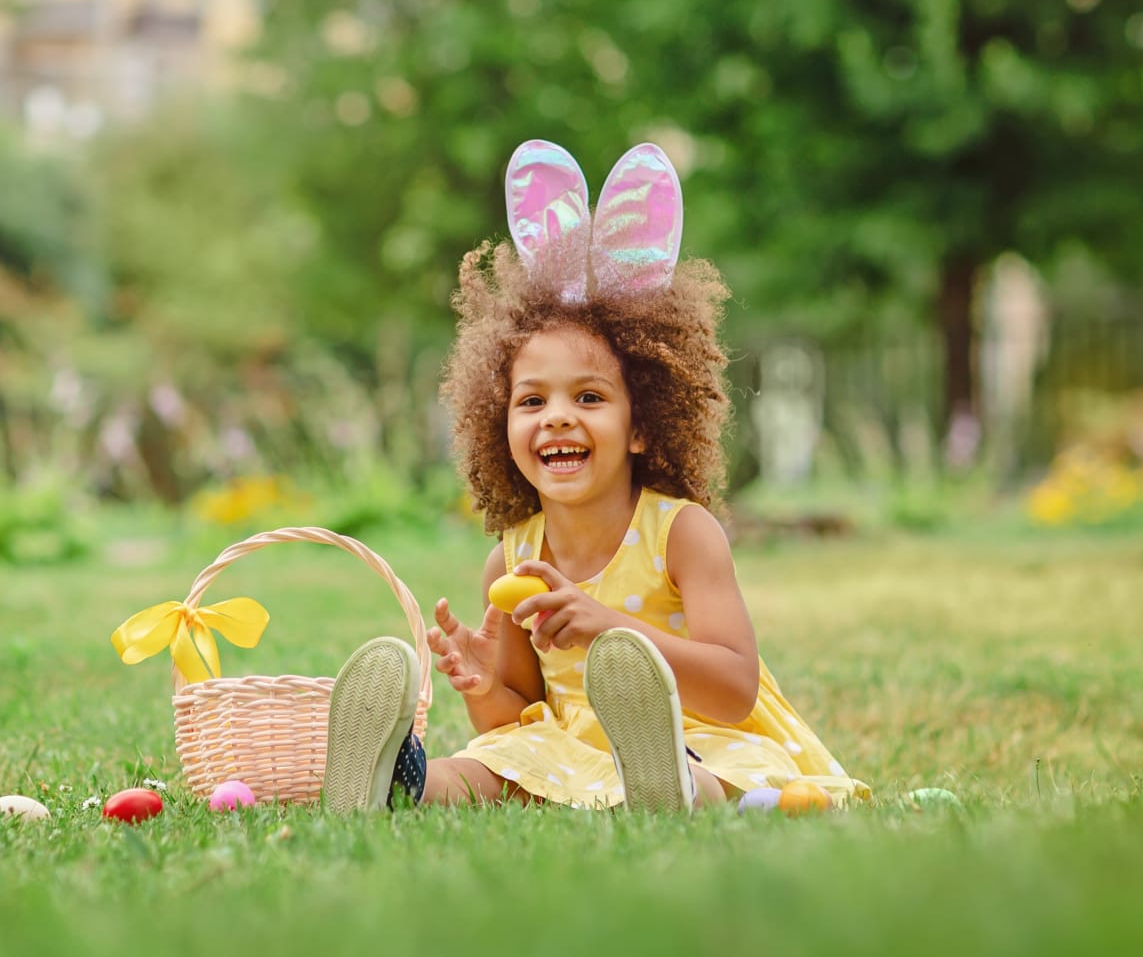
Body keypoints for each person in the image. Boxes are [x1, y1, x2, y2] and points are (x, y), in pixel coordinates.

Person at [321, 140, 871, 813]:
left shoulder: (681, 534)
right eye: (532, 401)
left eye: (588, 398)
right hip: (571, 750)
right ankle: (397, 779)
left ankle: (667, 780)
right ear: (501, 427)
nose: (556, 419)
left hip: (699, 733)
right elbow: (515, 718)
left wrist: (604, 624)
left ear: (643, 425)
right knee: (491, 765)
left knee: (711, 769)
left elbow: (735, 689)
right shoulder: (513, 559)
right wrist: (479, 684)